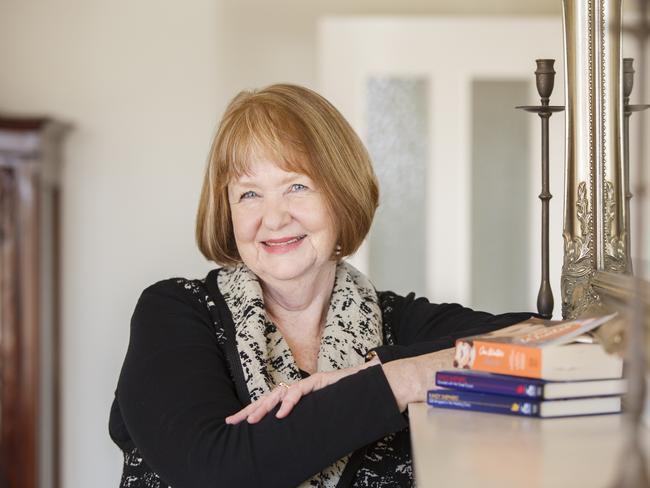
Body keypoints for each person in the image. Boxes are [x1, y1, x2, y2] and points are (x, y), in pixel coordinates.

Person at [109, 84, 532, 488]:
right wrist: (394, 386)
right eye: (249, 194)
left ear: (341, 195)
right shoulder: (174, 311)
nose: (273, 219)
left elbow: (557, 343)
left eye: (296, 186)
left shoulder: (399, 324)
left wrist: (404, 370)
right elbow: (215, 473)